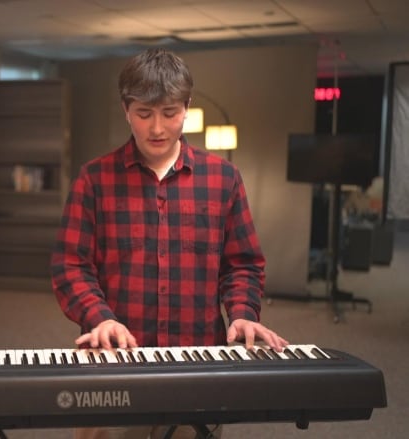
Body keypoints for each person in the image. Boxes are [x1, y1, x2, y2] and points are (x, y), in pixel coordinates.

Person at [50, 48, 289, 439]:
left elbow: (242, 264)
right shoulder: (93, 179)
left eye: (170, 113)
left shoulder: (224, 178)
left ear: (187, 108)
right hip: (112, 366)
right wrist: (100, 317)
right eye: (144, 114)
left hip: (197, 365)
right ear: (126, 110)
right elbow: (71, 266)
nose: (157, 128)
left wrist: (243, 313)